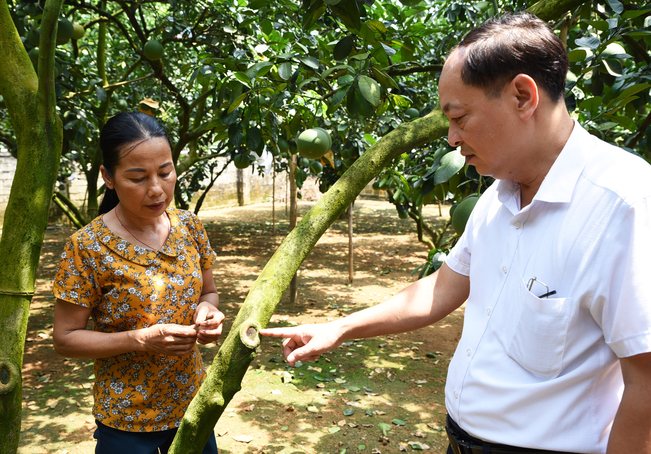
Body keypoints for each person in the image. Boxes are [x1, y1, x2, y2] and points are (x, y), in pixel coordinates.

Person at [261, 13, 651, 454]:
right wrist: (341, 328)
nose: (450, 137)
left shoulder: (623, 203)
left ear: (523, 96)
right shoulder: (497, 198)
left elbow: (646, 386)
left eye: (459, 117)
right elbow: (443, 287)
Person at [52, 112, 223, 454]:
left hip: (191, 406)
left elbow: (209, 291)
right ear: (108, 177)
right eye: (138, 178)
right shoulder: (87, 247)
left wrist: (208, 311)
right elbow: (65, 339)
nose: (157, 189)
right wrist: (140, 340)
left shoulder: (189, 227)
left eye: (165, 172)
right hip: (126, 419)